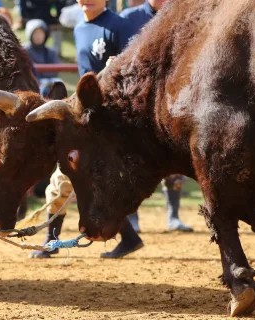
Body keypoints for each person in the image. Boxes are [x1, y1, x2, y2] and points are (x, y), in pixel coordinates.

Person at [30, 0, 145, 259]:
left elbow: (135, 67)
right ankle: (127, 237)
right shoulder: (81, 28)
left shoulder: (118, 25)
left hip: (107, 118)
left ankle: (52, 239)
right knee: (72, 173)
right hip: (85, 116)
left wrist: (120, 65)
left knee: (76, 174)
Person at [119, 0, 193, 234]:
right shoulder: (129, 18)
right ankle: (132, 218)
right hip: (136, 103)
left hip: (171, 100)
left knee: (176, 160)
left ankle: (173, 215)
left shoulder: (184, 13)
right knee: (131, 162)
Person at [24, 19, 62, 96]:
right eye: (36, 34)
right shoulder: (24, 51)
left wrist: (44, 80)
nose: (38, 36)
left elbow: (55, 70)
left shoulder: (51, 52)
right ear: (30, 34)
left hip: (48, 84)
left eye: (41, 33)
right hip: (30, 86)